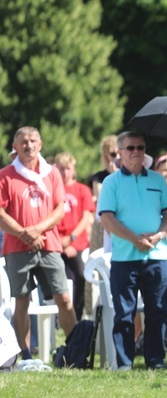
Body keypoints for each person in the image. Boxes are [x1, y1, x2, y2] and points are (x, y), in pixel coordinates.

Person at [98, 131, 167, 370]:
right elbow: (107, 219)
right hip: (124, 258)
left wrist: (159, 234)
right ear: (120, 153)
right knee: (124, 314)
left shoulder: (157, 180)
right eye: (130, 148)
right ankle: (124, 363)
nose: (137, 152)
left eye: (141, 148)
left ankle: (156, 360)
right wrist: (134, 240)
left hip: (157, 256)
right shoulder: (111, 182)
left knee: (158, 311)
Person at [0, 127, 77, 360]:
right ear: (15, 146)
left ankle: (74, 352)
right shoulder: (5, 175)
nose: (29, 145)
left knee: (63, 297)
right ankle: (25, 356)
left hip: (49, 244)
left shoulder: (51, 173)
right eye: (23, 141)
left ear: (40, 145)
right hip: (17, 247)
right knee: (21, 300)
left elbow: (59, 208)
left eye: (33, 141)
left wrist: (37, 230)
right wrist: (24, 233)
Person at [54, 152, 95, 321]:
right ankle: (58, 318)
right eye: (61, 169)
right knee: (57, 281)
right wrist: (60, 243)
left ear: (74, 169)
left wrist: (71, 239)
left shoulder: (82, 189)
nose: (64, 173)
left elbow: (85, 217)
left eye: (68, 169)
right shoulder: (52, 189)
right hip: (56, 243)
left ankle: (77, 316)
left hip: (76, 244)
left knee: (80, 276)